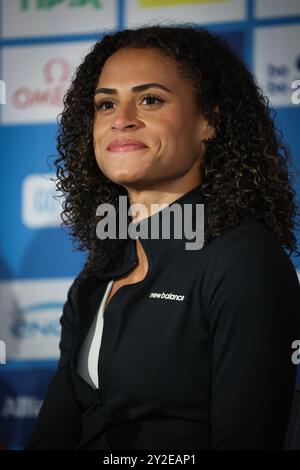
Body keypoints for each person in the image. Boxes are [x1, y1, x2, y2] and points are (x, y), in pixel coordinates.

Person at [25, 24, 300, 450]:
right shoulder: (97, 275)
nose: (121, 120)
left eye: (150, 99)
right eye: (105, 104)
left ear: (209, 121)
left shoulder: (241, 259)